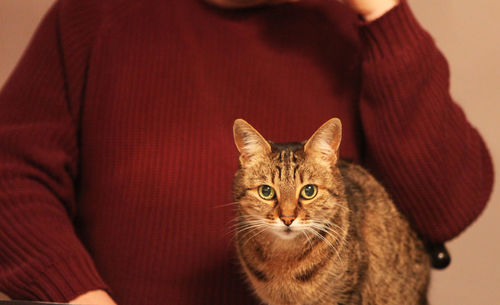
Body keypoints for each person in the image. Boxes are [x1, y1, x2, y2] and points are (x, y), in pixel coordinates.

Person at [0, 0, 493, 304]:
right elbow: (11, 172)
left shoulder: (349, 28)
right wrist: (75, 293)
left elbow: (445, 210)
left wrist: (381, 11)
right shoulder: (94, 13)